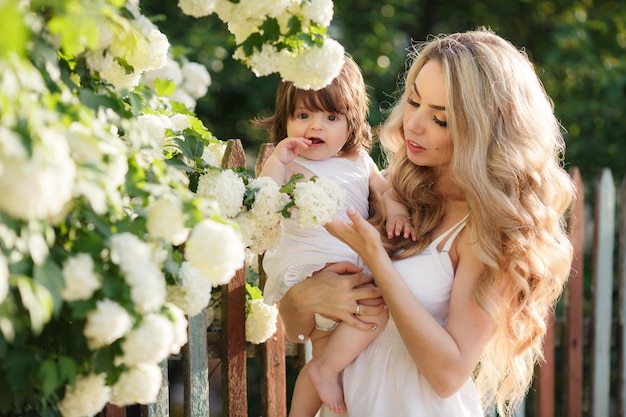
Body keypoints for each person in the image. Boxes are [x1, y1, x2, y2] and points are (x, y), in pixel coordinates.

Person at [278, 28, 576, 417]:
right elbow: (298, 329)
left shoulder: (489, 231)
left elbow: (448, 374)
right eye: (414, 101)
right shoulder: (392, 192)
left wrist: (376, 257)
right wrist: (300, 300)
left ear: (484, 132)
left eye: (440, 119)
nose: (412, 125)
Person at [256, 55, 415, 416]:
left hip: (349, 269)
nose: (316, 127)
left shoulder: (359, 160)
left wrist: (397, 212)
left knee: (341, 341)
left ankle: (317, 384)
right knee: (356, 323)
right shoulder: (290, 162)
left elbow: (384, 191)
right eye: (303, 116)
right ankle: (323, 372)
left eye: (331, 118)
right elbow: (264, 196)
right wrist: (279, 160)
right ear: (285, 121)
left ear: (351, 123)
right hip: (308, 267)